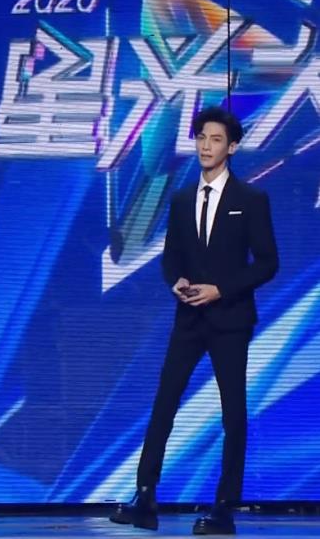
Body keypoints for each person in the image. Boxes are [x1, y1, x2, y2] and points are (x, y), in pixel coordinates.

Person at [109, 107, 278, 535]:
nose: (206, 146)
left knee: (232, 412)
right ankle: (145, 496)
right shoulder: (182, 200)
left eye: (216, 139)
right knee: (164, 404)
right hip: (188, 318)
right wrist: (178, 281)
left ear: (232, 147)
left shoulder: (251, 200)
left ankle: (224, 506)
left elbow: (267, 263)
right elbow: (171, 259)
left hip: (230, 319)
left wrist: (221, 289)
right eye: (201, 137)